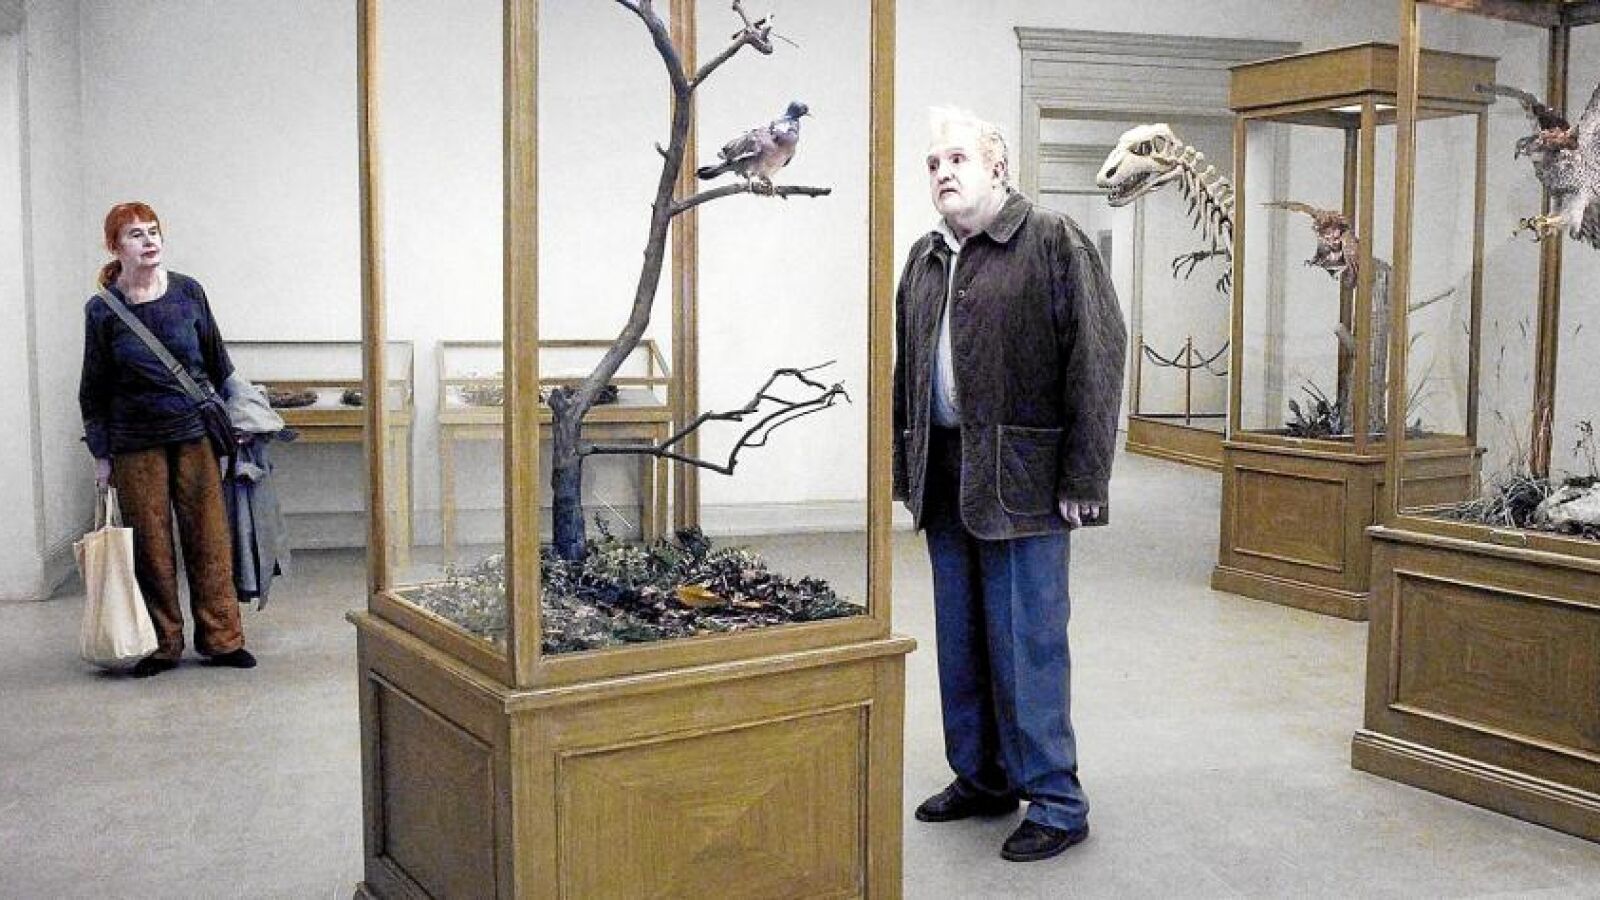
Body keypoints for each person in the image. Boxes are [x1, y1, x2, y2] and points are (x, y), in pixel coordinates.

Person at [892, 109, 1126, 862]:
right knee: (961, 640)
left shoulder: (1052, 240)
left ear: (997, 166)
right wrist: (905, 468)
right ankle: (983, 776)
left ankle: (1056, 799)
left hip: (1027, 480)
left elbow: (1099, 355)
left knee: (1027, 642)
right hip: (946, 475)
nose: (942, 173)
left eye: (957, 158)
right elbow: (906, 373)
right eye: (933, 163)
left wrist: (1085, 473)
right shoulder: (925, 258)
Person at [78, 201, 256, 677]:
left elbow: (218, 363)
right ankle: (162, 643)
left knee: (209, 537)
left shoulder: (188, 292)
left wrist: (239, 419)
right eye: (135, 234)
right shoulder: (102, 310)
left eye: (153, 231)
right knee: (150, 546)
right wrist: (101, 454)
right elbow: (93, 387)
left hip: (194, 433)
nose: (149, 241)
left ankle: (222, 639)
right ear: (115, 246)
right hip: (135, 442)